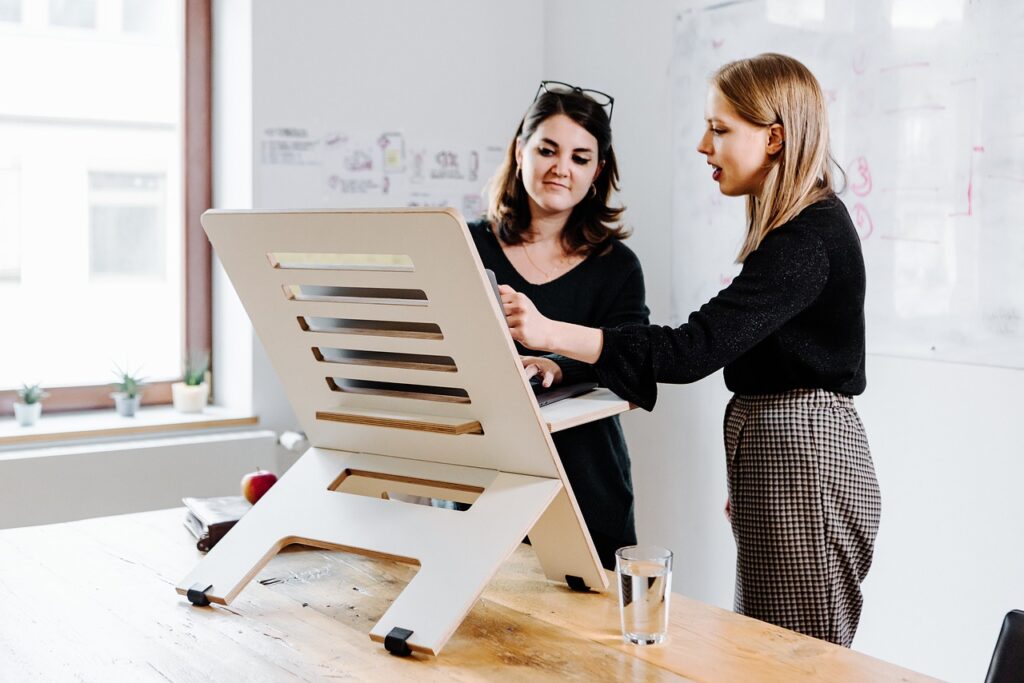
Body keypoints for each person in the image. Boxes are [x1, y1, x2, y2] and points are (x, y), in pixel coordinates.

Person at [498, 54, 881, 647]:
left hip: (801, 453)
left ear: (775, 138)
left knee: (793, 660)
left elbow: (690, 351)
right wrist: (753, 472)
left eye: (721, 129)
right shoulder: (797, 233)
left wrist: (549, 334)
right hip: (779, 453)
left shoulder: (807, 238)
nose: (704, 145)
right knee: (763, 652)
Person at [468, 80, 649, 571]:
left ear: (598, 172)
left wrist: (554, 363)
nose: (560, 169)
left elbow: (635, 371)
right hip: (482, 485)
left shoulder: (618, 267)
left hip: (587, 486)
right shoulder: (465, 245)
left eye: (580, 157)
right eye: (547, 150)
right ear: (520, 150)